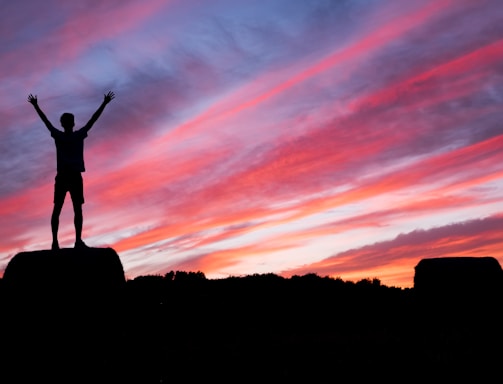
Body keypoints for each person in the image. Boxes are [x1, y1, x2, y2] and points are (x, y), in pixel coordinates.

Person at [28, 91, 115, 250]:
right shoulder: (76, 135)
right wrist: (104, 103)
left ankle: (60, 242)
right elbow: (92, 120)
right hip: (72, 176)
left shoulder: (61, 135)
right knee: (74, 209)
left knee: (60, 208)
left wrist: (36, 106)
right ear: (72, 123)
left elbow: (46, 121)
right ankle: (73, 241)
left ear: (63, 123)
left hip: (66, 176)